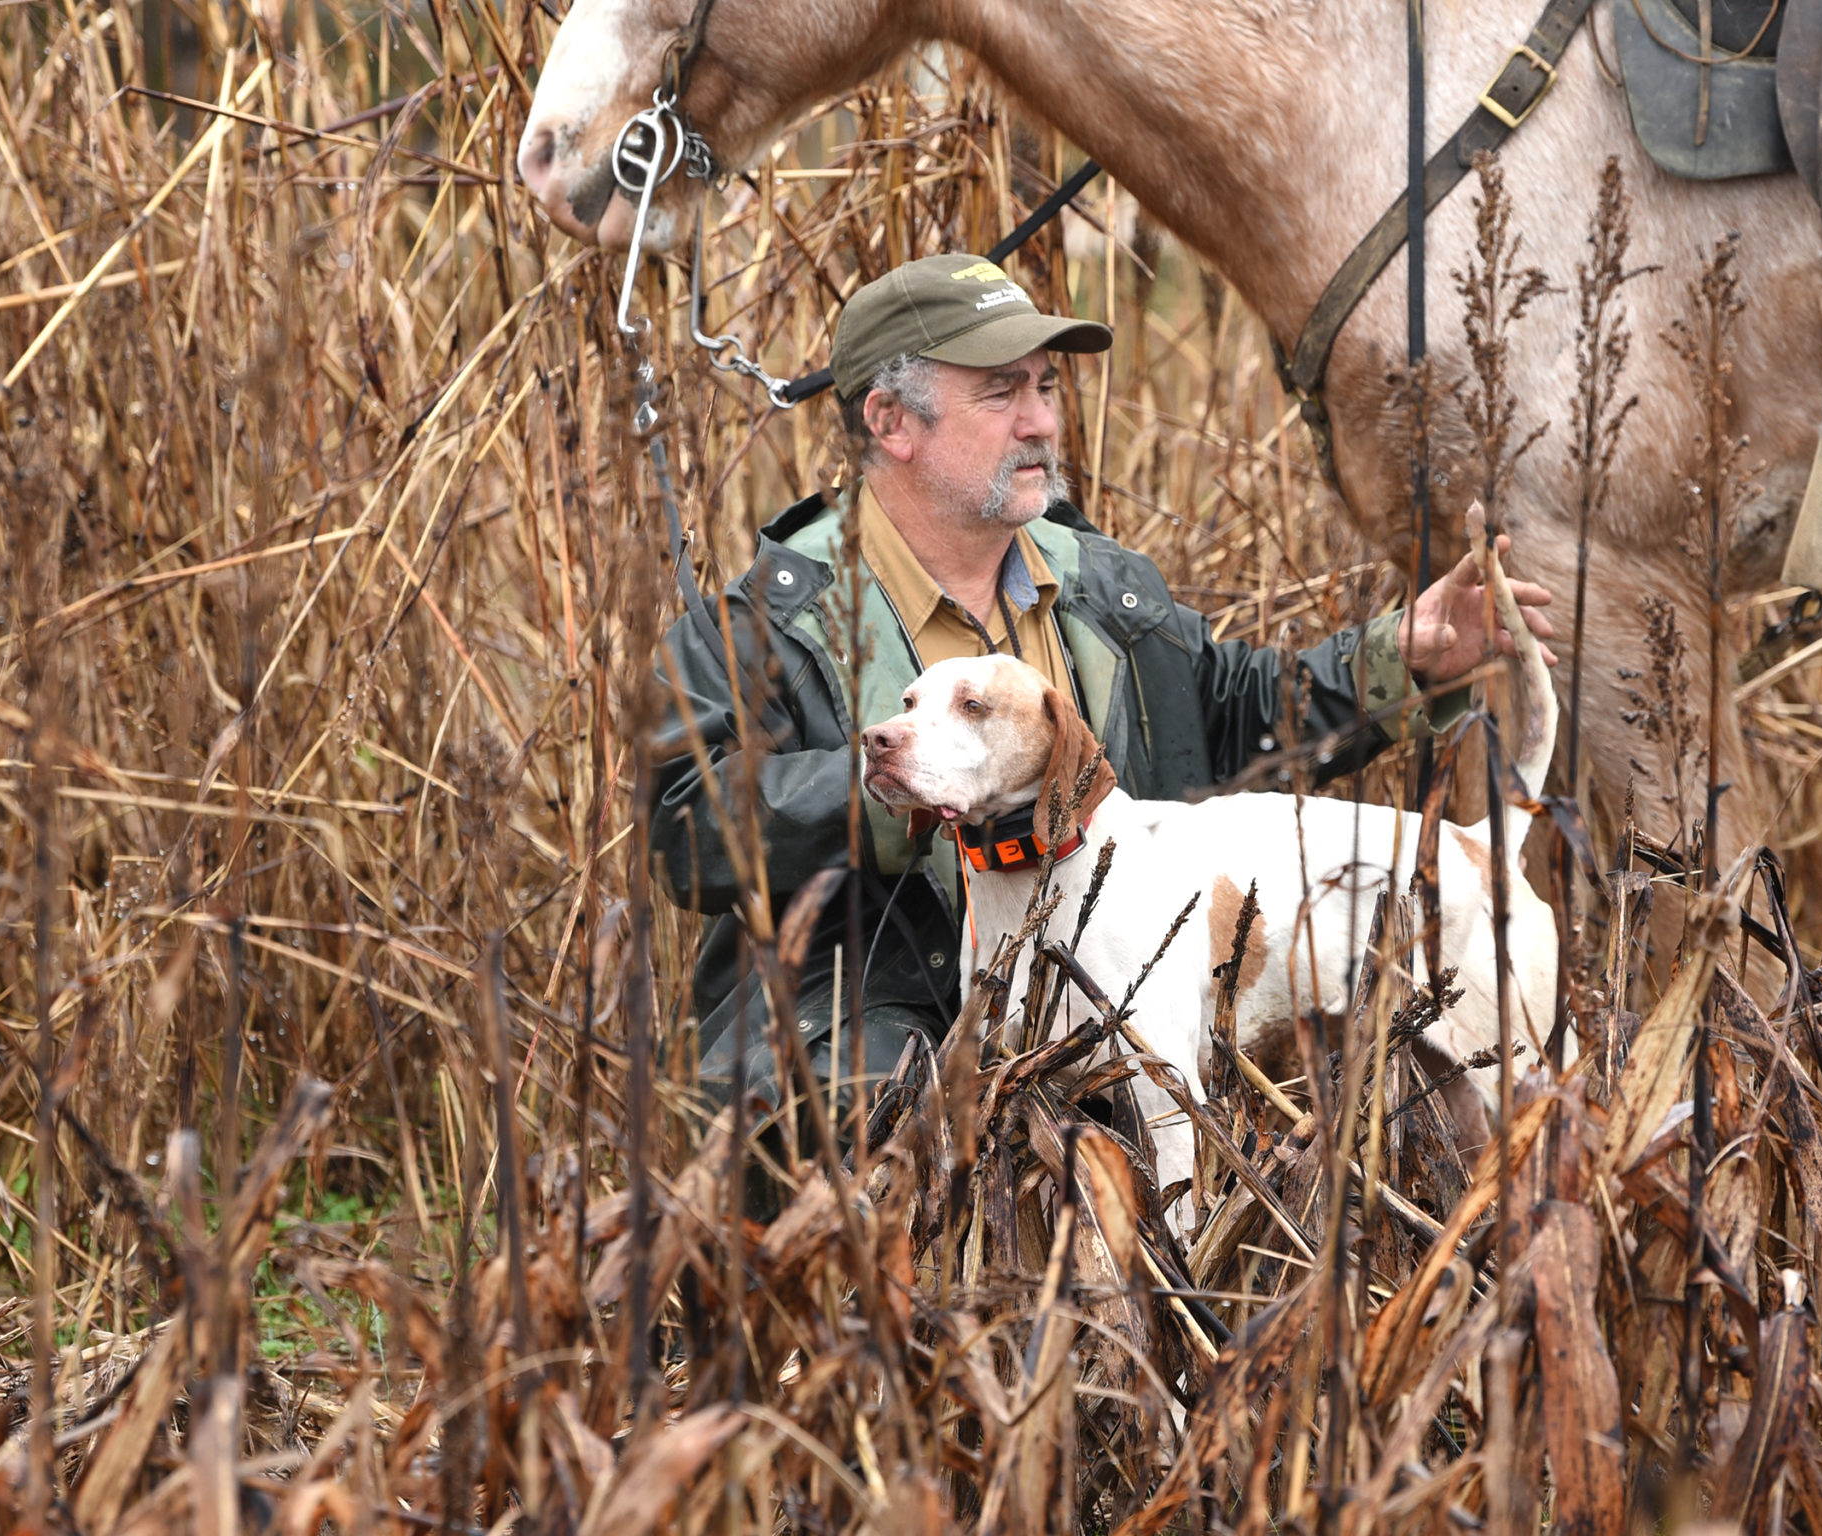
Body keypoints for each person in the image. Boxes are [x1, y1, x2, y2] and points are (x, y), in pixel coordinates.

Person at [651, 252, 1555, 1116]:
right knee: (903, 1114)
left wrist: (1406, 655)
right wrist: (901, 784)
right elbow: (684, 827)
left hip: (1115, 1004)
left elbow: (1234, 713)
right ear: (891, 423)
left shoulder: (1103, 586)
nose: (1042, 420)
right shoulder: (767, 628)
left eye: (1045, 388)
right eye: (1001, 393)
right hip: (870, 1033)